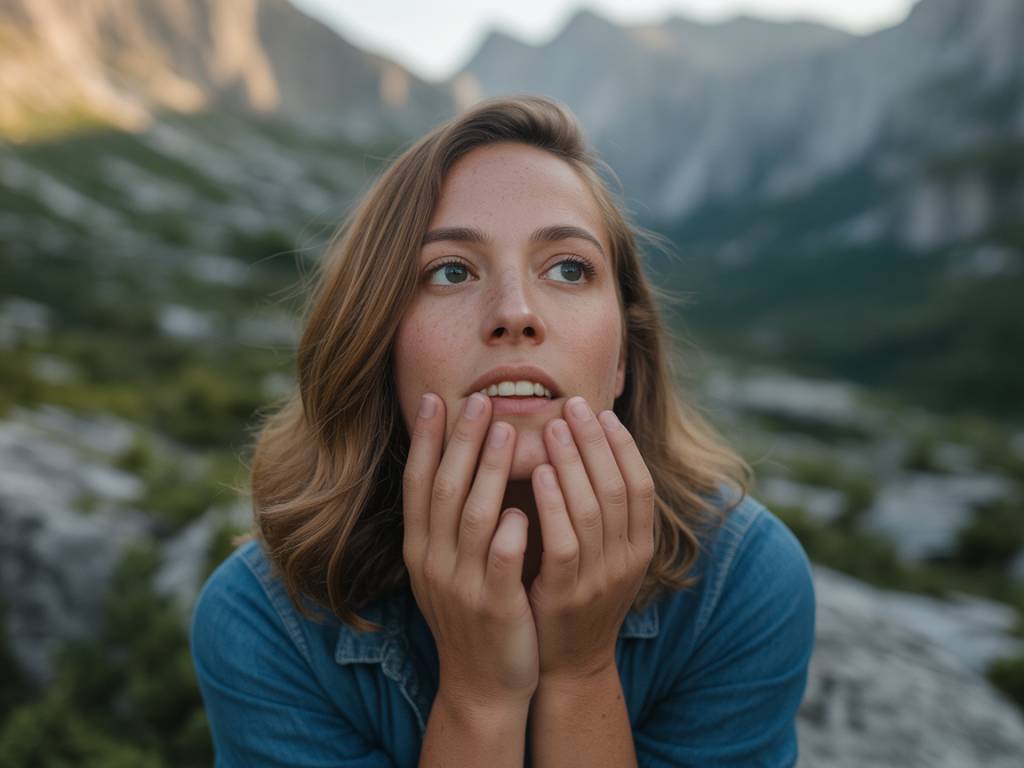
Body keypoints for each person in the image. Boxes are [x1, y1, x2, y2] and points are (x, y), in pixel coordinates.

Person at [190, 95, 816, 767]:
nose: (515, 313)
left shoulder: (743, 585)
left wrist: (579, 673)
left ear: (624, 360)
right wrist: (479, 697)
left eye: (569, 268)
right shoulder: (262, 624)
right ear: (379, 345)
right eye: (451, 271)